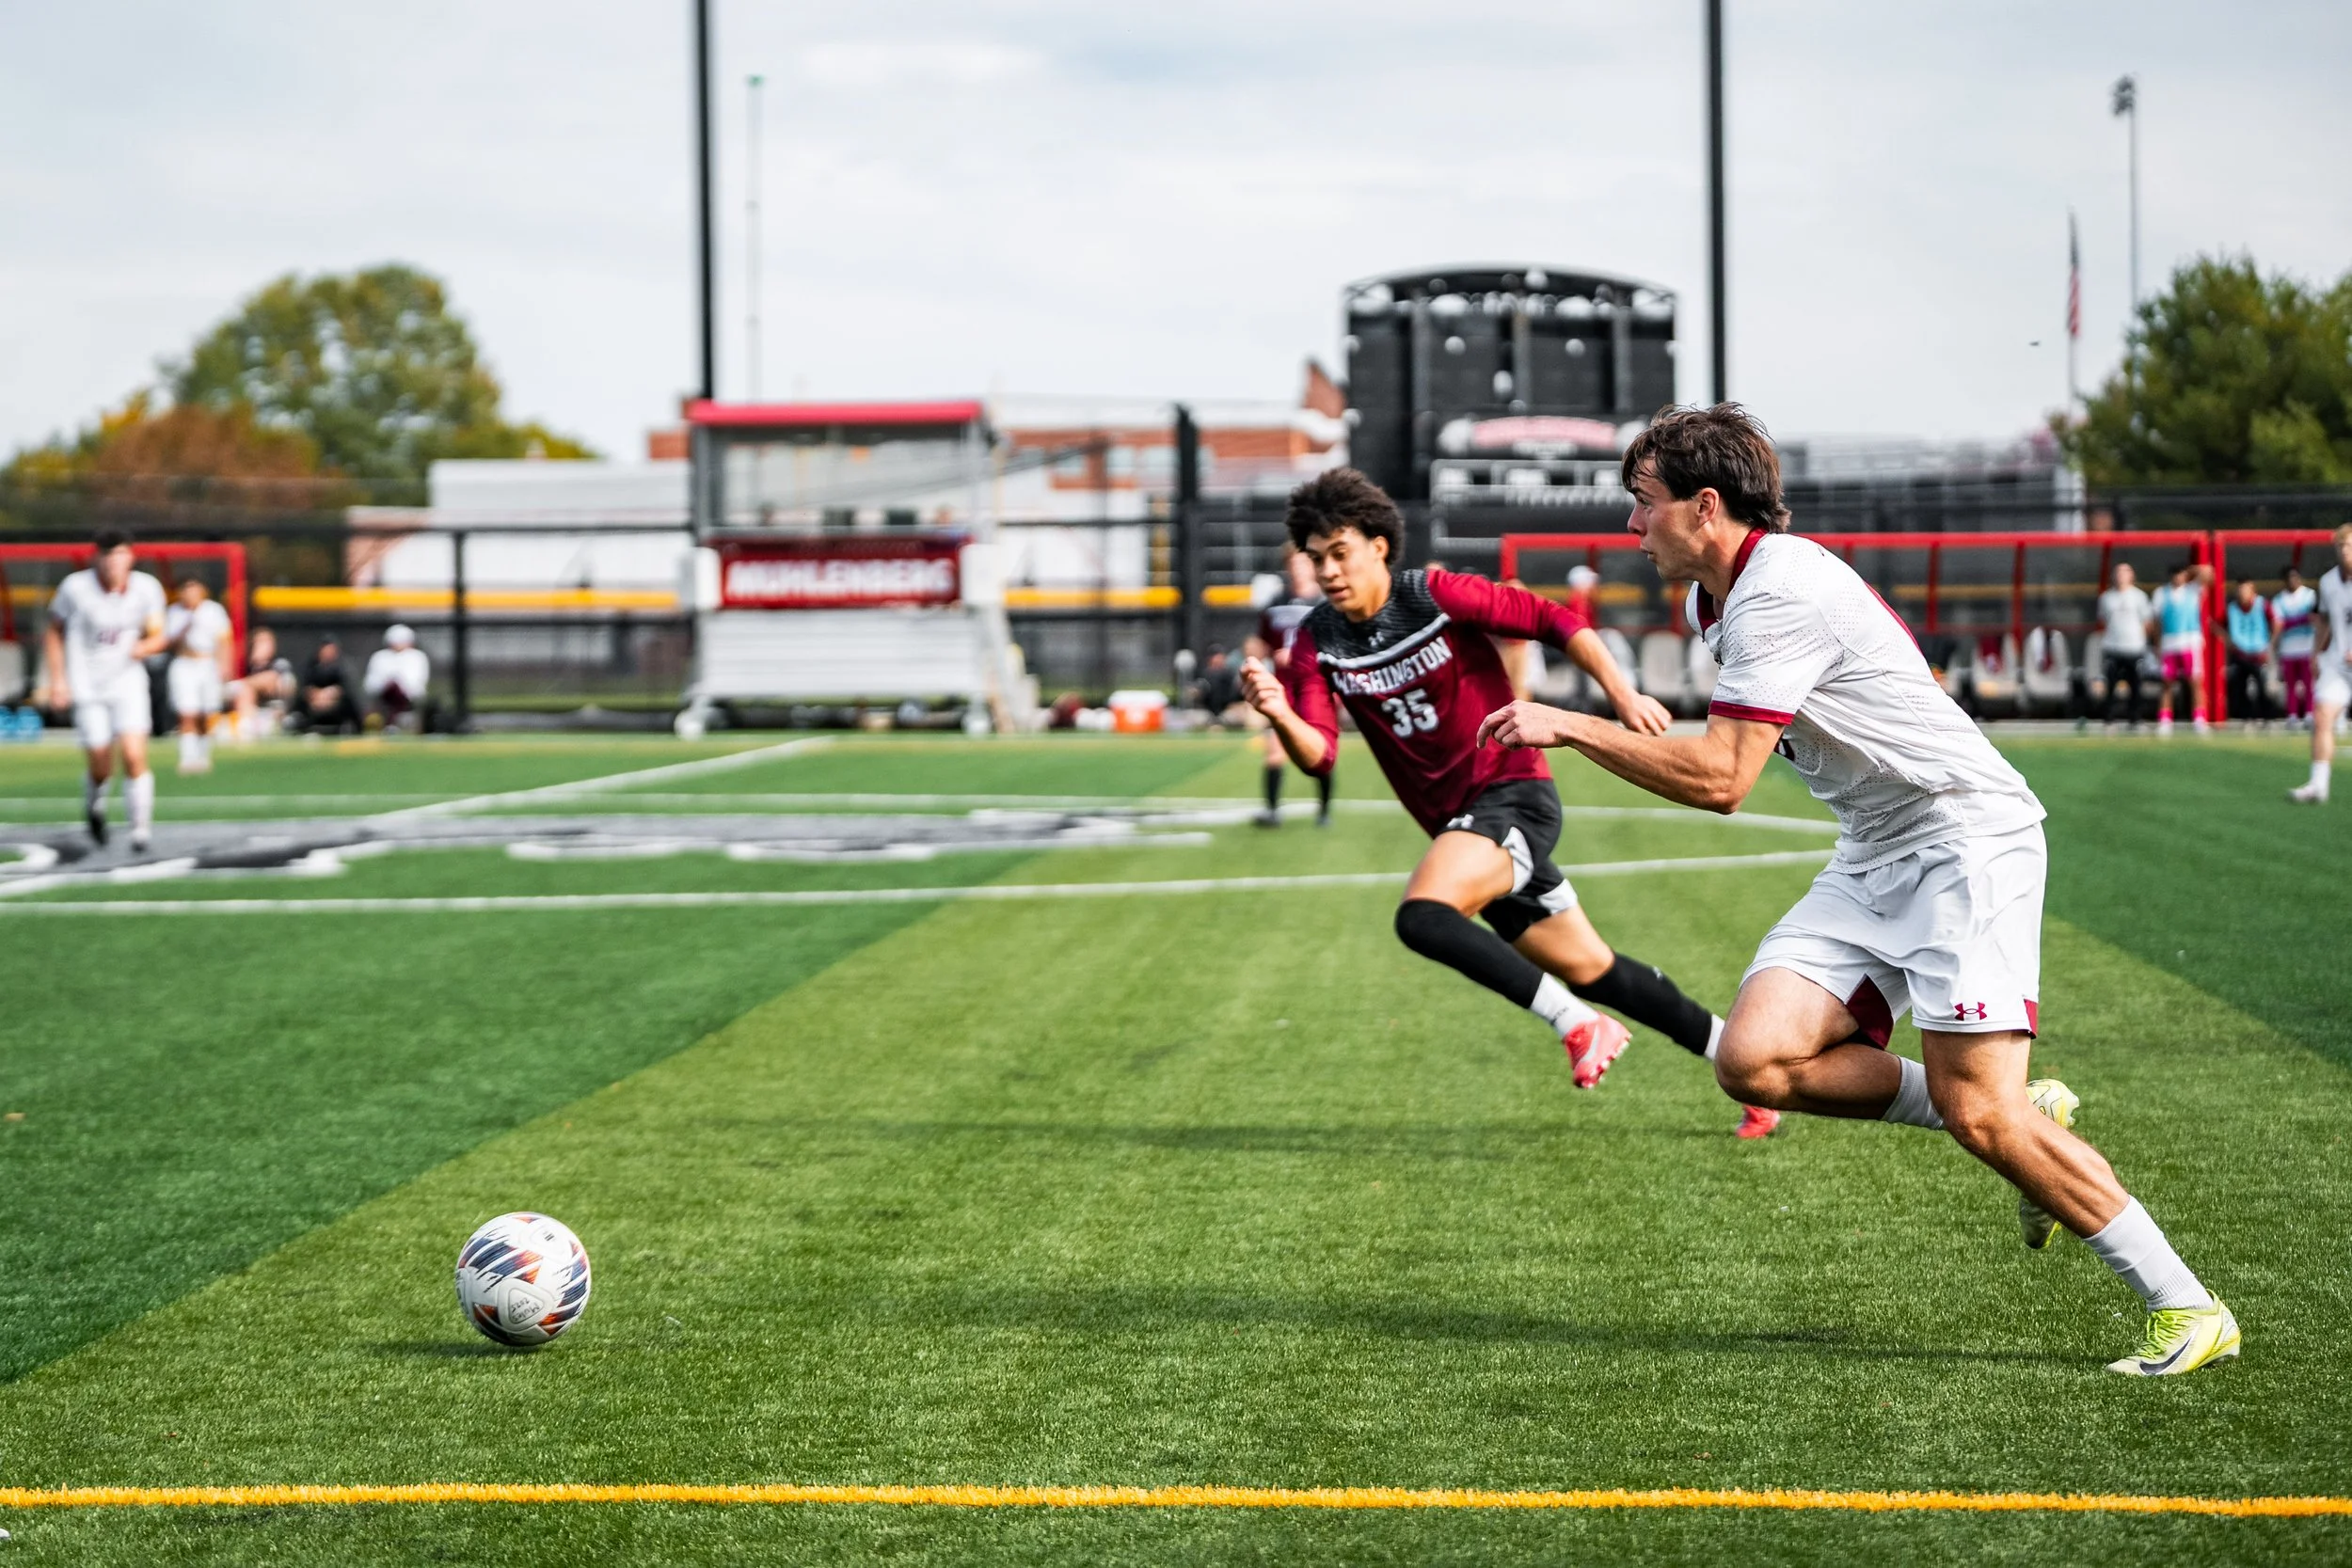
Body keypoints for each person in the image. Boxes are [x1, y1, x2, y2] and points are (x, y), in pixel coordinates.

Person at [1478, 404, 2235, 1374]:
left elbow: (1721, 780)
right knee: (1752, 1059)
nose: (1632, 525)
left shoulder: (1774, 593)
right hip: (1878, 843)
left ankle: (2187, 1305)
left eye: (1644, 502)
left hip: (1963, 837)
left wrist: (1574, 725)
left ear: (1706, 507)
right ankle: (2023, 1115)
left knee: (1981, 1116)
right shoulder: (1715, 601)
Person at [1242, 467, 1778, 1140]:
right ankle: (1755, 1077)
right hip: (1465, 831)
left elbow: (1553, 621)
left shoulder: (1433, 595)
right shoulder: (1315, 641)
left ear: (1379, 545)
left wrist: (1622, 694)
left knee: (1424, 916)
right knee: (1598, 969)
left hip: (1513, 797)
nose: (1327, 570)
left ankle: (1576, 1023)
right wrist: (1278, 712)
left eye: (1340, 551)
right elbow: (1318, 754)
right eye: (1316, 558)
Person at [40, 528, 168, 850]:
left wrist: (146, 646)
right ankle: (95, 803)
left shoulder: (146, 588)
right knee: (101, 761)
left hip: (127, 681)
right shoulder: (75, 588)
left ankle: (140, 830)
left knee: (134, 754)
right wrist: (58, 680)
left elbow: (157, 634)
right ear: (96, 556)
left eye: (120, 553)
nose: (113, 561)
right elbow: (54, 632)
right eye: (107, 554)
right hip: (87, 684)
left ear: (131, 557)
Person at [1243, 550, 1333, 827]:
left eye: (1304, 563)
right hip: (1283, 687)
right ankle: (1272, 811)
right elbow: (1261, 642)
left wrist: (1299, 655)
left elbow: (1334, 644)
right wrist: (1253, 660)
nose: (1299, 569)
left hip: (1314, 686)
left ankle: (1324, 811)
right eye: (1293, 564)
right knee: (1274, 748)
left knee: (1319, 747)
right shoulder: (1275, 603)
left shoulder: (1326, 602)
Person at [2287, 525, 2352, 805]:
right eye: (2341, 546)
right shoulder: (2327, 582)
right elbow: (2324, 619)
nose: (2345, 551)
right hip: (2338, 662)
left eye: (2349, 545)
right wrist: (2315, 653)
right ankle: (2318, 785)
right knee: (2322, 715)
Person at [163, 578, 234, 773]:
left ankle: (203, 756)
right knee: (186, 712)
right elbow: (168, 641)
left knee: (206, 712)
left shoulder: (213, 610)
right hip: (184, 663)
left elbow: (224, 640)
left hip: (207, 663)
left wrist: (225, 665)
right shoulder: (174, 612)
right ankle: (187, 758)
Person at [2150, 562, 2211, 736]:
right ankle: (2165, 719)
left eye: (2181, 573)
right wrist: (2157, 644)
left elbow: (2208, 572)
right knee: (2167, 683)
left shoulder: (2193, 589)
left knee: (2195, 682)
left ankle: (2200, 718)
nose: (2178, 577)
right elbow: (2156, 623)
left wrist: (2191, 571)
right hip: (2169, 643)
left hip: (2190, 642)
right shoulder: (2161, 594)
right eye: (2175, 573)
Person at [2094, 562, 2154, 731]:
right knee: (2111, 685)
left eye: (2125, 572)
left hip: (2134, 648)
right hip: (2112, 647)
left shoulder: (2139, 597)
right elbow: (2103, 620)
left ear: (2132, 576)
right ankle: (2109, 720)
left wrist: (2143, 641)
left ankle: (2135, 720)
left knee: (2135, 686)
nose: (2121, 576)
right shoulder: (2106, 597)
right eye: (2118, 572)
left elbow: (2147, 622)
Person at [227, 626, 296, 739]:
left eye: (268, 642)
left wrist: (244, 684)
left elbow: (270, 680)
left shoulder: (279, 663)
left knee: (245, 688)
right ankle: (246, 726)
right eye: (260, 642)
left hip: (275, 713)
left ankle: (249, 726)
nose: (265, 646)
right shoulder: (246, 667)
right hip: (253, 711)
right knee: (244, 691)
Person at [2223, 578, 2274, 729]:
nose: (2242, 593)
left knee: (2262, 686)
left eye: (2245, 590)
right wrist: (2229, 642)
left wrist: (2270, 643)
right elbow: (2218, 626)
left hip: (2259, 652)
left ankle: (2266, 717)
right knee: (2240, 686)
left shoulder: (2262, 605)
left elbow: (2277, 622)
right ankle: (2246, 717)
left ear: (2253, 591)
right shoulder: (2232, 608)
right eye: (2240, 590)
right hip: (2240, 653)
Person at [364, 624, 430, 733]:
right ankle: (387, 723)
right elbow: (370, 683)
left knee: (397, 690)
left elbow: (418, 684)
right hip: (383, 697)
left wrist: (401, 686)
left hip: (408, 698)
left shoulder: (417, 657)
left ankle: (393, 723)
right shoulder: (380, 657)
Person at [2273, 564, 2317, 729]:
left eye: (2295, 577)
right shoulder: (2279, 599)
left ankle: (2309, 714)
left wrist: (2293, 621)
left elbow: (2313, 617)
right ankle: (2292, 715)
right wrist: (2300, 619)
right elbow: (2280, 623)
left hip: (2307, 646)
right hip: (2288, 648)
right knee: (2291, 684)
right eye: (2289, 578)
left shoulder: (2309, 595)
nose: (2293, 581)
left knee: (2308, 683)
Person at [296, 638, 361, 735]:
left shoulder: (343, 667)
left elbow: (345, 687)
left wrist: (330, 694)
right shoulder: (311, 667)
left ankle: (357, 730)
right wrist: (318, 695)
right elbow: (305, 687)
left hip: (335, 703)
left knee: (349, 702)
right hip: (314, 702)